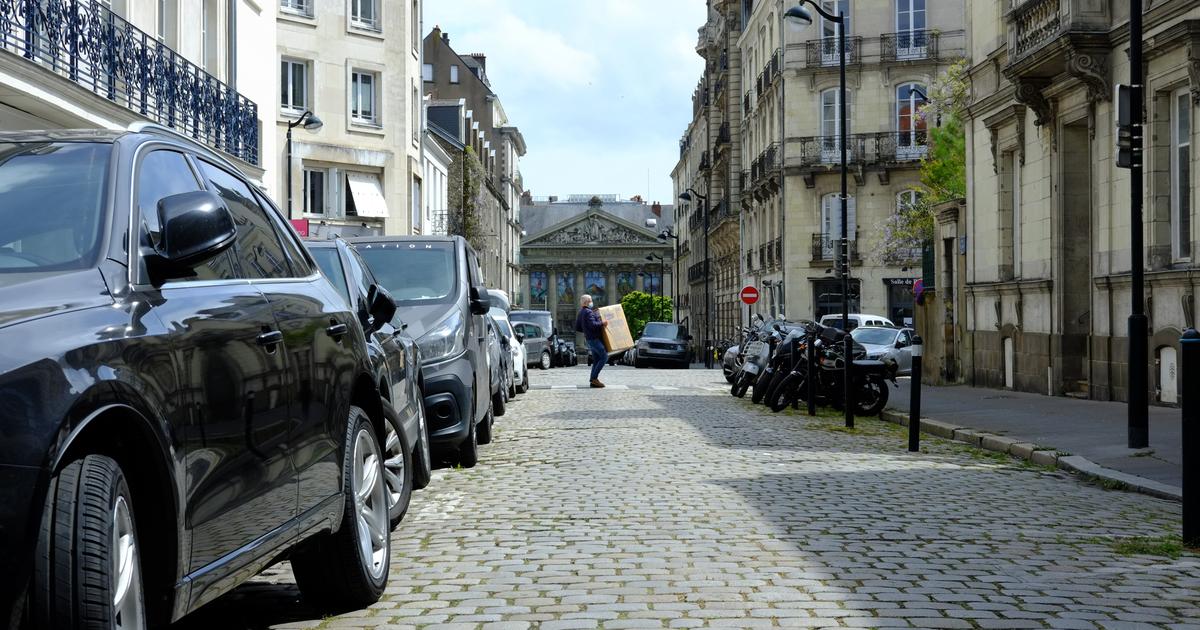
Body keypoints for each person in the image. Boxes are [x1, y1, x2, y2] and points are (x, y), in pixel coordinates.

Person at [575, 294, 609, 388]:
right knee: (604, 357)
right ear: (586, 302)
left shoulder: (581, 312)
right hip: (594, 339)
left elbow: (578, 327)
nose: (591, 302)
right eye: (590, 300)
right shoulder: (588, 312)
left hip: (589, 338)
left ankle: (593, 380)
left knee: (596, 359)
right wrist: (603, 323)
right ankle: (594, 378)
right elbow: (593, 325)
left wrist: (587, 331)